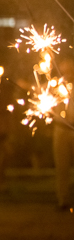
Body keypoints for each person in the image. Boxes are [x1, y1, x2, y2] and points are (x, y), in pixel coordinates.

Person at [53, 55, 74, 211]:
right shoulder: (55, 88)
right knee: (62, 167)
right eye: (65, 71)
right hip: (61, 129)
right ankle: (63, 200)